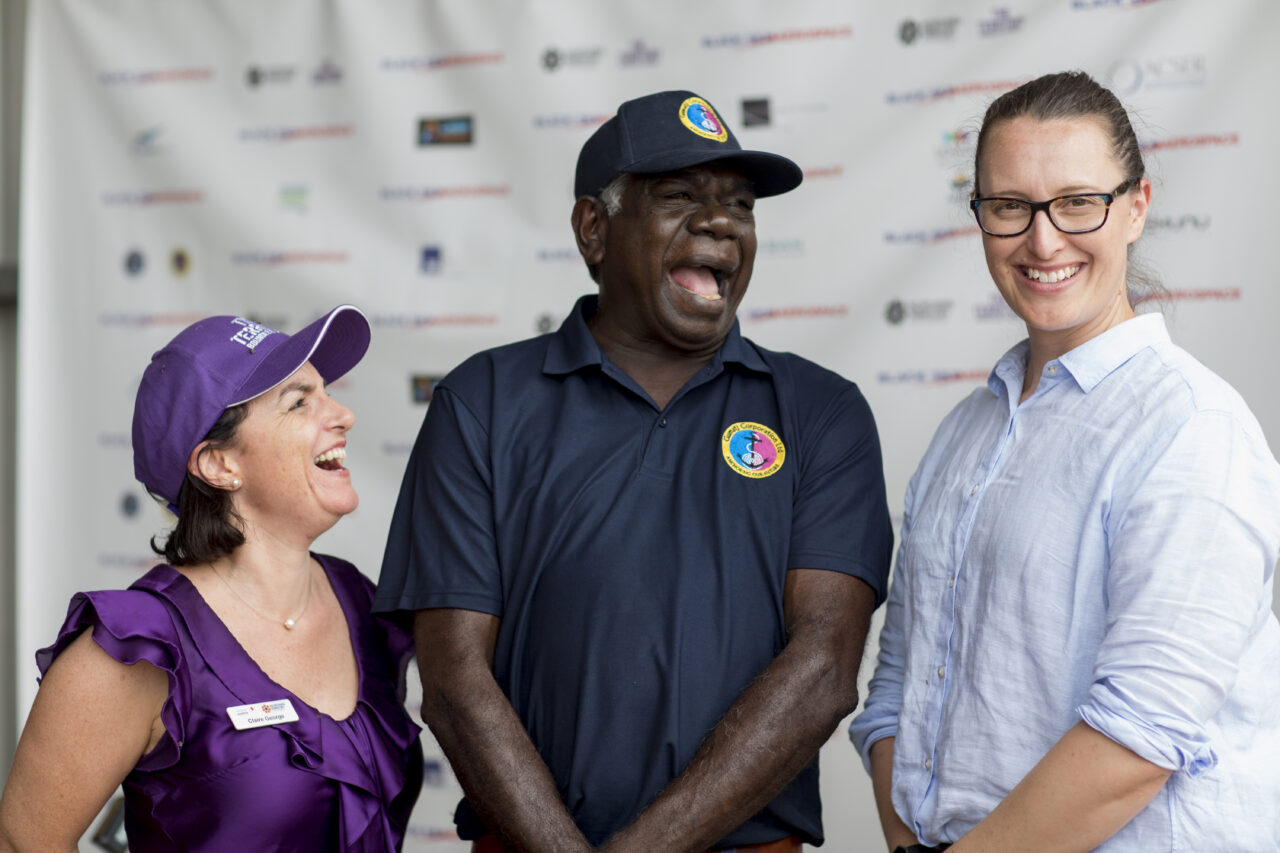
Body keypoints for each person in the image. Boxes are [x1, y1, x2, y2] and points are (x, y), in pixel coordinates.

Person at [375, 90, 894, 852]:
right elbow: (452, 681)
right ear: (594, 229)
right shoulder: (481, 403)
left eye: (740, 205)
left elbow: (823, 669)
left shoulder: (821, 411)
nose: (720, 223)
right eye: (679, 196)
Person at [849, 70, 1280, 852]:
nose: (1042, 240)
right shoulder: (964, 432)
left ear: (1137, 207)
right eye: (1010, 207)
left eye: (1079, 201)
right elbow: (898, 689)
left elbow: (1142, 731)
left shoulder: (1191, 427)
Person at [0, 306, 424, 852]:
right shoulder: (137, 649)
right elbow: (23, 843)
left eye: (327, 392)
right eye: (299, 402)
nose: (342, 414)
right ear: (219, 465)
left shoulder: (360, 600)